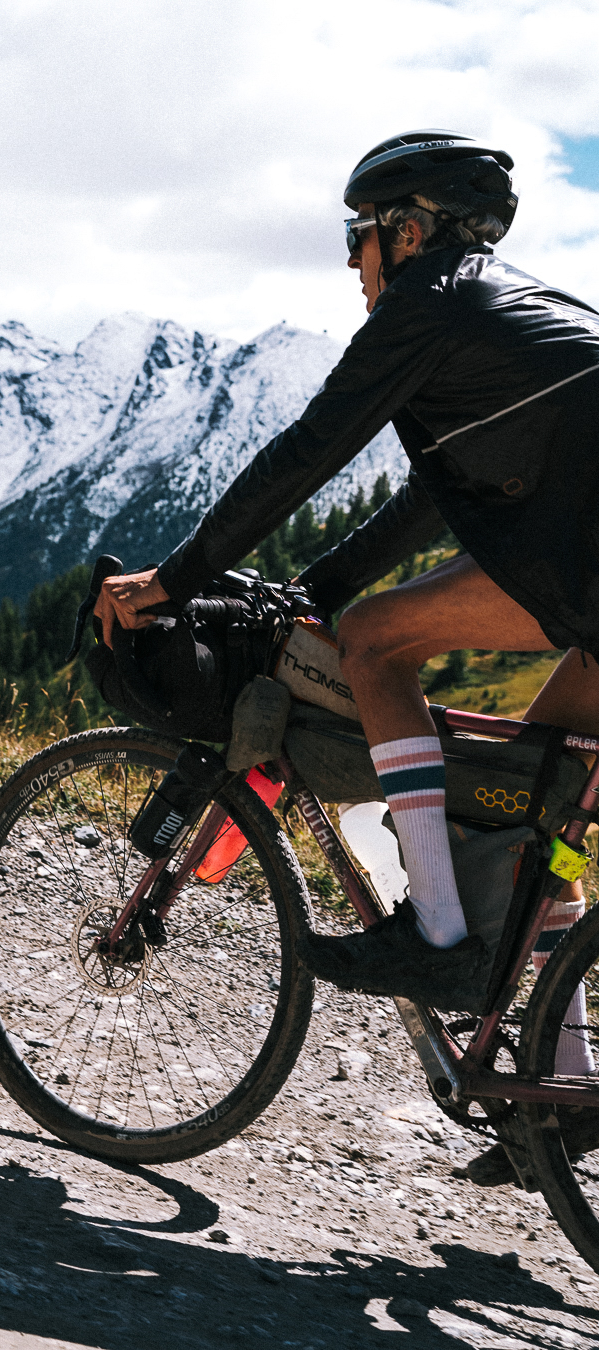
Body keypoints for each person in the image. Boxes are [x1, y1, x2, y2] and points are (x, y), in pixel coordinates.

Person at [94, 129, 599, 1183]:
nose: (353, 263)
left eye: (356, 238)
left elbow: (306, 454)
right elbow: (427, 502)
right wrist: (315, 587)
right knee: (531, 789)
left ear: (406, 233)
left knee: (374, 642)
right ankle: (566, 1091)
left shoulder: (431, 306)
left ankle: (439, 935)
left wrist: (176, 580)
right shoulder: (498, 315)